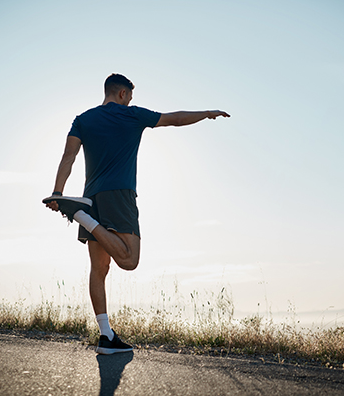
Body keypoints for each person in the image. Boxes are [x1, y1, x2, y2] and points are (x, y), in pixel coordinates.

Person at [43, 73, 230, 354]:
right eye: (130, 96)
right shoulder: (132, 116)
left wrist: (57, 193)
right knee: (129, 260)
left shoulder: (82, 119)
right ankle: (81, 217)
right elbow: (174, 118)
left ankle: (106, 336)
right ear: (121, 94)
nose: (131, 101)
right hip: (119, 195)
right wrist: (206, 114)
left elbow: (67, 157)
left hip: (90, 197)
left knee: (100, 268)